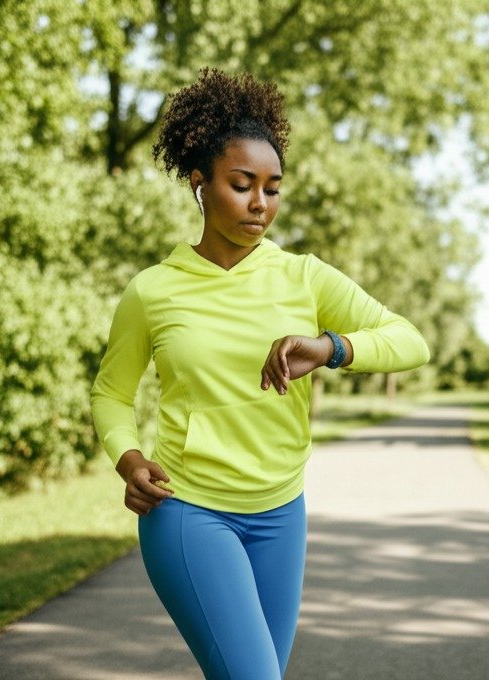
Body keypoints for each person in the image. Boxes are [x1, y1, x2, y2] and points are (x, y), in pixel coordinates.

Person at [89, 66, 431, 680]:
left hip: (281, 513)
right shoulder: (152, 292)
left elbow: (411, 341)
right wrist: (128, 457)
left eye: (272, 188)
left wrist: (332, 348)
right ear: (200, 184)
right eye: (242, 184)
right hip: (189, 512)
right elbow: (112, 394)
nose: (259, 204)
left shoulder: (304, 277)